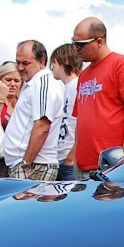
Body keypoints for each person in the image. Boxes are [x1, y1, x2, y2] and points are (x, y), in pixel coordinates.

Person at [67, 17, 124, 178]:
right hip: (82, 168)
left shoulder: (122, 65)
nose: (75, 49)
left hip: (111, 167)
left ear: (99, 41)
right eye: (73, 43)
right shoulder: (84, 75)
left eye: (80, 44)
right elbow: (80, 119)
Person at [3, 40, 65, 180]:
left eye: (25, 63)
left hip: (35, 165)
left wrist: (26, 163)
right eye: (17, 62)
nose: (20, 67)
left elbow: (42, 126)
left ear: (41, 62)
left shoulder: (43, 83)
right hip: (28, 164)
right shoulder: (33, 84)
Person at [49, 43, 83, 181]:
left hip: (69, 160)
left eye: (53, 62)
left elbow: (83, 123)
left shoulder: (77, 86)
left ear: (63, 61)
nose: (51, 67)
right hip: (61, 158)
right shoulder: (66, 89)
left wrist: (72, 156)